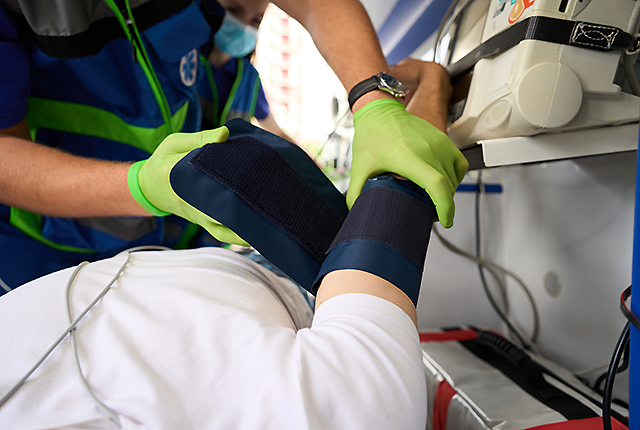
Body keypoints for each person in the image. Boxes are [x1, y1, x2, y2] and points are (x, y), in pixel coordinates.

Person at [0, 64, 450, 423]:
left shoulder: (355, 401)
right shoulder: (350, 400)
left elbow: (399, 188)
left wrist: (393, 101)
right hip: (261, 274)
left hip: (193, 265)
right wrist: (430, 84)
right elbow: (400, 182)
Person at [0, 0, 468, 292]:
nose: (244, 23)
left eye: (257, 16)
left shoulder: (238, 73)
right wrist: (143, 185)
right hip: (44, 253)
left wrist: (374, 103)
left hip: (166, 249)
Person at [198, 0, 295, 143]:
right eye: (233, 10)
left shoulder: (249, 78)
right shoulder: (184, 62)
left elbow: (275, 132)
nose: (243, 24)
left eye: (256, 20)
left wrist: (307, 161)